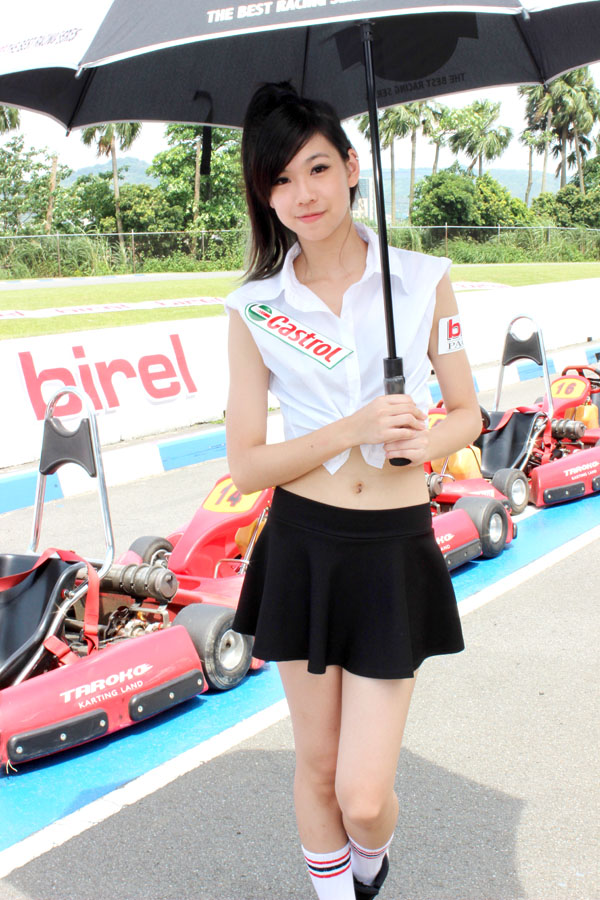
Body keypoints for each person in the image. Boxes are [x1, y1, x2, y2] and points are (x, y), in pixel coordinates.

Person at [224, 82, 481, 900]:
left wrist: (423, 442)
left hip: (391, 550)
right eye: (279, 180)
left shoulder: (422, 282)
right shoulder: (255, 308)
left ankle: (369, 867)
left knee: (363, 798)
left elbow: (469, 413)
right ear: (265, 196)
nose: (303, 194)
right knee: (319, 765)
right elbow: (247, 466)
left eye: (316, 168)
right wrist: (353, 427)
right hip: (302, 546)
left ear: (350, 167)